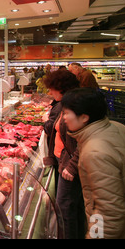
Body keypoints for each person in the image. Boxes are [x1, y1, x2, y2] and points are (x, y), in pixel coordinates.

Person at [61, 88, 125, 239]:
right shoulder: (118, 128)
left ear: (84, 117)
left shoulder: (95, 152)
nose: (63, 118)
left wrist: (95, 237)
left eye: (66, 113)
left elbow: (107, 211)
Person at [42, 70, 84, 239]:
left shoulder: (75, 107)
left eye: (52, 89)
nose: (50, 93)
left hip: (69, 165)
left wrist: (72, 166)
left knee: (65, 207)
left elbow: (84, 140)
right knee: (69, 205)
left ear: (61, 88)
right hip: (63, 161)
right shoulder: (67, 104)